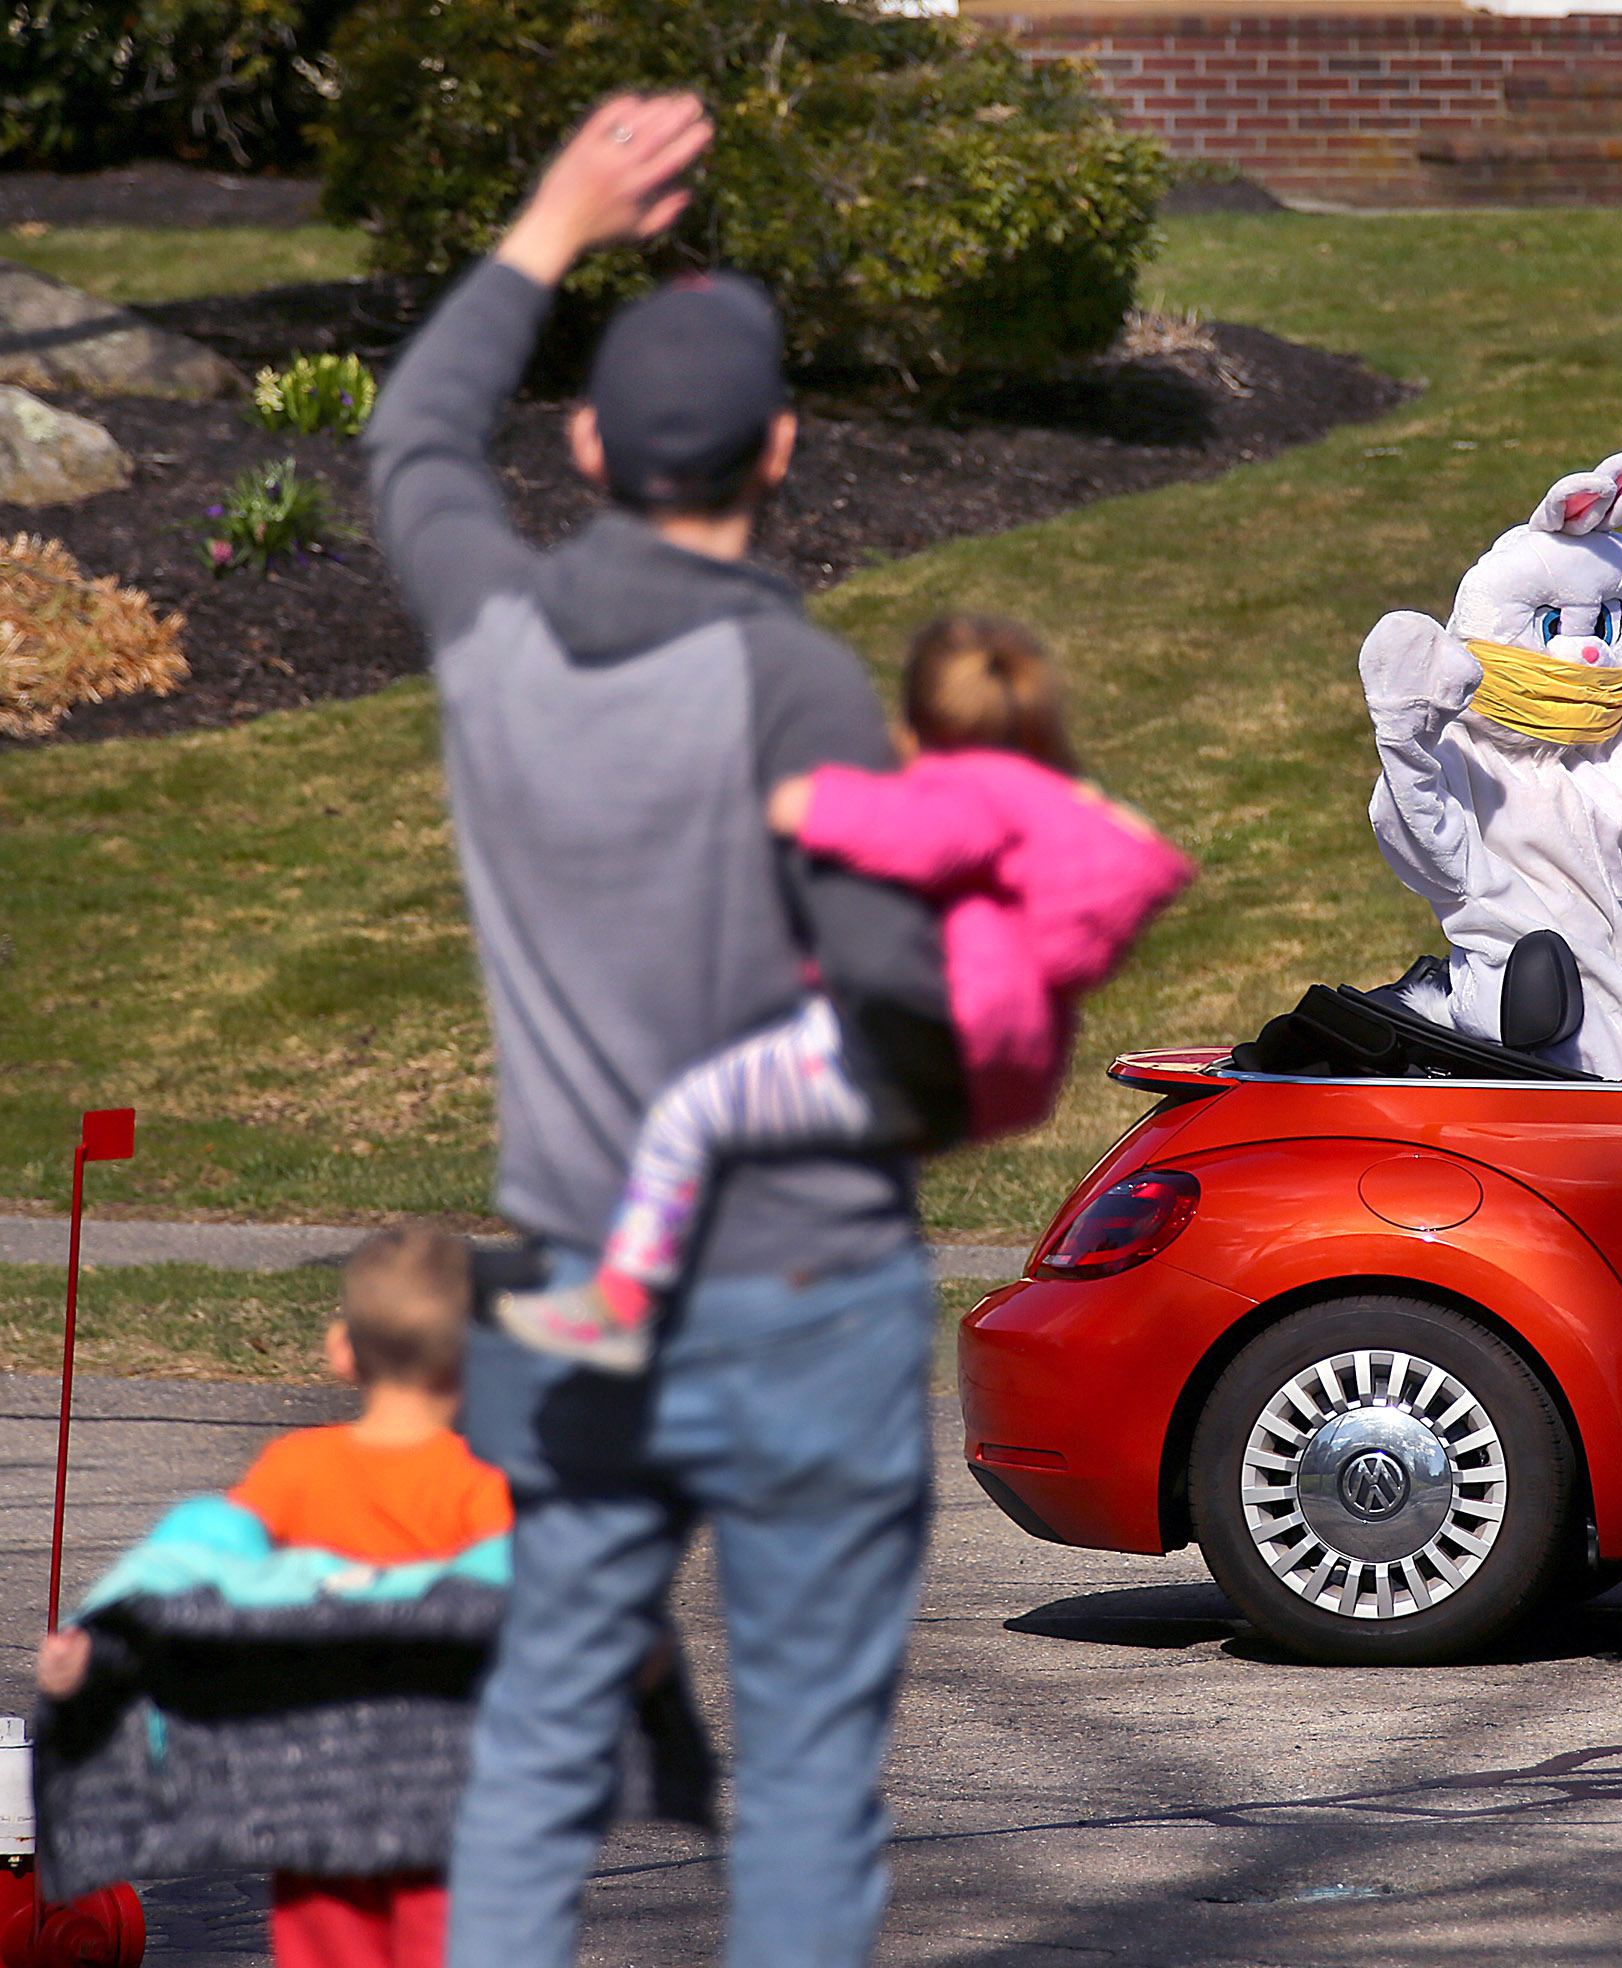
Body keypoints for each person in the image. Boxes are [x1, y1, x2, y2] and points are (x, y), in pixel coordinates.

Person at [361, 93, 964, 1968]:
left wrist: (554, 218)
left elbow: (408, 440)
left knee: (540, 1750)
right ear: (782, 452)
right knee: (792, 1778)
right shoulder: (796, 685)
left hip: (571, 1297)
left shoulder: (494, 634)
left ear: (592, 442)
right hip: (805, 1300)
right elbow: (909, 1022)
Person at [496, 612, 1192, 1372]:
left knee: (687, 1117)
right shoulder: (1057, 802)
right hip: (1002, 1068)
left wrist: (804, 805)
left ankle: (622, 1307)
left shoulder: (966, 787)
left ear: (920, 717)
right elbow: (1083, 912)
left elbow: (933, 835)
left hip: (916, 1031)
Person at [38, 1227, 509, 1968]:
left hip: (315, 1789)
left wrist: (100, 1647)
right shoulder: (484, 1487)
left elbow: (196, 1571)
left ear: (342, 1352)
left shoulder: (298, 1470)